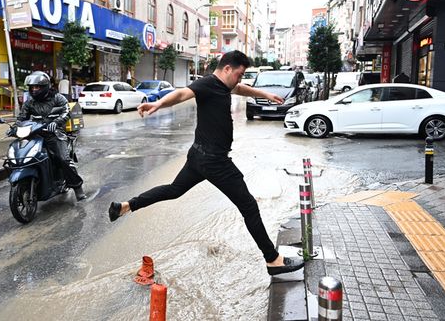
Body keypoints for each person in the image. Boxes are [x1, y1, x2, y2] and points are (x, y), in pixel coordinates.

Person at [107, 50, 305, 275]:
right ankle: (273, 260)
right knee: (249, 206)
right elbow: (182, 94)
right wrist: (157, 104)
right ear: (227, 69)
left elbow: (238, 88)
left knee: (174, 190)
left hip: (198, 156)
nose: (240, 79)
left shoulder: (224, 84)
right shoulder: (207, 83)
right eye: (239, 74)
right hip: (215, 161)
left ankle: (126, 206)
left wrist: (264, 94)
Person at [18, 71, 87, 199]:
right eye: (32, 87)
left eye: (37, 87)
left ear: (45, 87)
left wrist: (56, 122)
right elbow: (22, 118)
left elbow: (67, 111)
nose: (34, 90)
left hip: (55, 134)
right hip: (36, 134)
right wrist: (15, 127)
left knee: (62, 159)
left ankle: (77, 187)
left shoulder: (57, 98)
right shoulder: (30, 103)